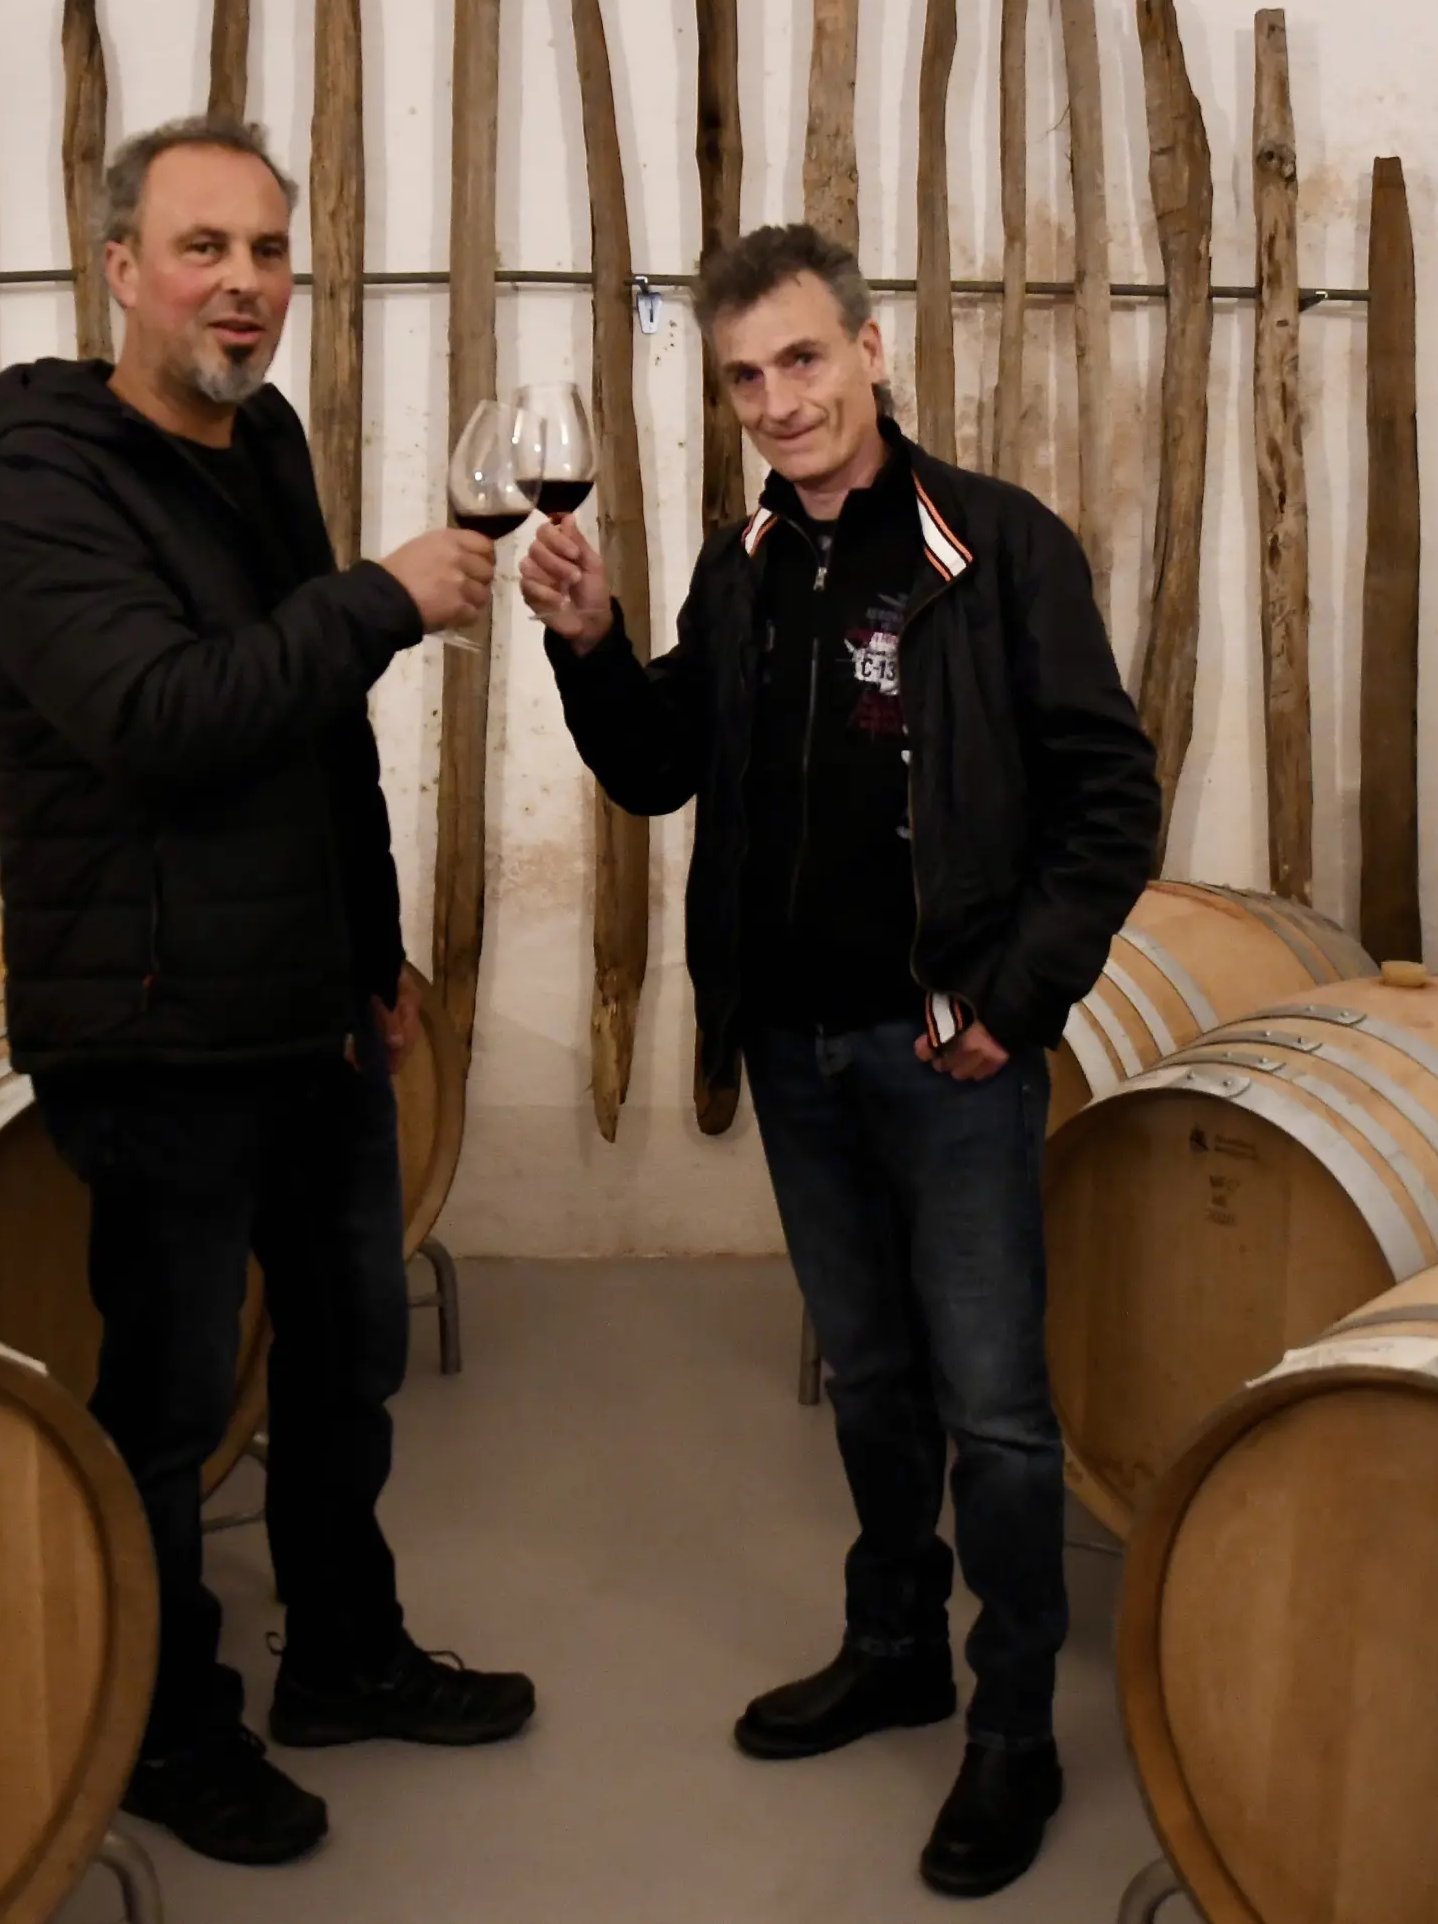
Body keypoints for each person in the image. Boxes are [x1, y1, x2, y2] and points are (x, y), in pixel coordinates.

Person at [519, 223, 1158, 1898]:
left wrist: (1013, 1001)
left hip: (946, 1056)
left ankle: (1011, 1726)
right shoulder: (745, 569)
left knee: (1002, 1417)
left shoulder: (995, 549)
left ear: (870, 352)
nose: (779, 399)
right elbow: (663, 770)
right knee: (870, 1381)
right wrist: (587, 643)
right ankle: (893, 1647)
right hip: (796, 1050)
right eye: (746, 376)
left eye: (803, 359)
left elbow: (1109, 805)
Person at [0, 116, 534, 1869]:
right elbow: (158, 714)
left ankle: (343, 1653)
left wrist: (368, 950)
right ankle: (160, 1723)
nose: (248, 284)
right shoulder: (35, 462)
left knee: (348, 1360)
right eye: (206, 248)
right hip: (150, 1018)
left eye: (272, 252)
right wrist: (379, 595)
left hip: (302, 1011)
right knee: (173, 1399)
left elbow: (308, 734)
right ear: (120, 268)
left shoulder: (261, 435)